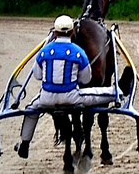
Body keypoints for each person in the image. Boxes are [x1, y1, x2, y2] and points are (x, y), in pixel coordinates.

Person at [13, 14, 92, 158]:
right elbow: (86, 79)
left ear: (54, 33)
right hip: (72, 98)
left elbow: (37, 75)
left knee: (31, 109)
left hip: (46, 99)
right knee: (104, 94)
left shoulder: (44, 51)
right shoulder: (79, 52)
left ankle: (25, 143)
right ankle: (120, 91)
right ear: (72, 32)